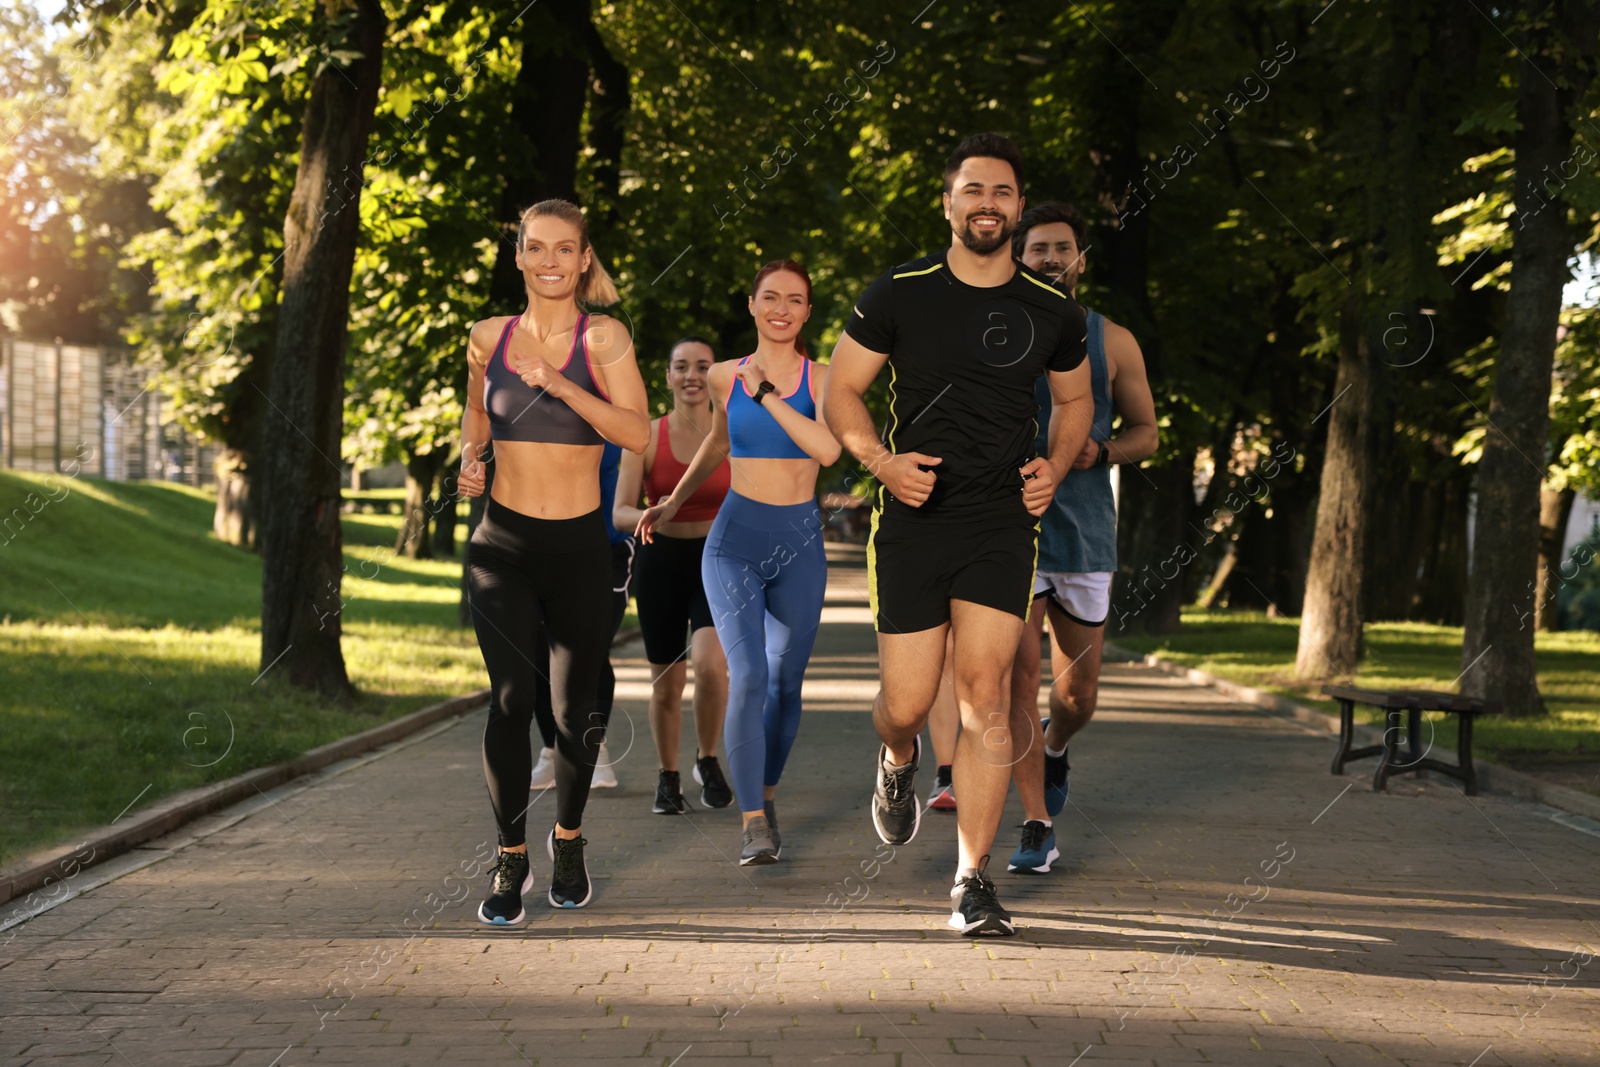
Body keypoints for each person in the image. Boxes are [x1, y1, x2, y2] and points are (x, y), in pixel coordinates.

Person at [825, 133, 1093, 936]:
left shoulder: (1054, 311)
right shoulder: (898, 292)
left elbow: (1075, 404)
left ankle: (972, 878)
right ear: (948, 203)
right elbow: (842, 388)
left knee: (988, 693)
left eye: (1002, 191)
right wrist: (879, 460)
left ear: (1017, 204)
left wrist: (1057, 461)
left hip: (1002, 519)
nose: (987, 203)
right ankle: (900, 759)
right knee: (906, 704)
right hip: (913, 513)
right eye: (972, 189)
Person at [458, 199, 649, 921]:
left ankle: (568, 840)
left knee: (572, 713)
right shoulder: (485, 337)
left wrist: (562, 383)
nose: (549, 261)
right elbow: (477, 413)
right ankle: (512, 859)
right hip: (501, 545)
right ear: (519, 255)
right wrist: (470, 459)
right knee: (509, 699)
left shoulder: (604, 339)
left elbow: (636, 432)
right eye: (536, 248)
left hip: (577, 548)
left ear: (583, 258)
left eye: (563, 249)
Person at [637, 260, 840, 865]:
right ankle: (752, 820)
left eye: (795, 300)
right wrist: (673, 498)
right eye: (769, 297)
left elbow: (827, 448)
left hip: (800, 541)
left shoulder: (823, 378)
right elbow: (721, 440)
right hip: (735, 541)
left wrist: (769, 395)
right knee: (745, 674)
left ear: (806, 312)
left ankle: (766, 795)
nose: (781, 308)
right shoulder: (724, 374)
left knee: (785, 685)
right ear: (751, 305)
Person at [1005, 201, 1158, 874]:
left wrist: (1105, 452)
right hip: (1009, 526)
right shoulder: (995, 332)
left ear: (1080, 260)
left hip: (1085, 529)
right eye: (1037, 248)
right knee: (1019, 681)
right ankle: (1036, 823)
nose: (1049, 258)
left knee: (1077, 694)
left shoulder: (1113, 339)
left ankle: (1057, 746)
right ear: (1017, 256)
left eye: (1061, 248)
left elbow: (1147, 433)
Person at [614, 337, 734, 814]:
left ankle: (707, 757)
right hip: (659, 561)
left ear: (715, 377)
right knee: (667, 682)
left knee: (710, 665)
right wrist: (649, 516)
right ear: (667, 377)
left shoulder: (733, 434)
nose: (691, 375)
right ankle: (668, 777)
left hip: (717, 561)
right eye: (681, 366)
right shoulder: (644, 437)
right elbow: (620, 510)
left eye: (702, 366)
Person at [530, 439, 633, 792]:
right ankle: (550, 752)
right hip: (548, 548)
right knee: (541, 652)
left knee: (590, 650)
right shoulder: (541, 414)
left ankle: (595, 752)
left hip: (609, 550)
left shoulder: (613, 416)